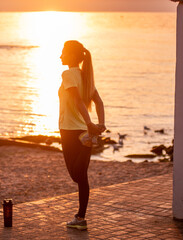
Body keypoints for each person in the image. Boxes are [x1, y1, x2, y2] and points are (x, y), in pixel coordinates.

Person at [58, 40, 106, 230]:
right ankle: (81, 218)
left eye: (63, 52)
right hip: (85, 132)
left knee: (75, 175)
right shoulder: (86, 77)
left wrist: (90, 124)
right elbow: (99, 103)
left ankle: (80, 218)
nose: (60, 56)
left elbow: (77, 100)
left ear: (71, 55)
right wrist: (99, 125)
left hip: (70, 130)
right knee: (82, 177)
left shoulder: (68, 74)